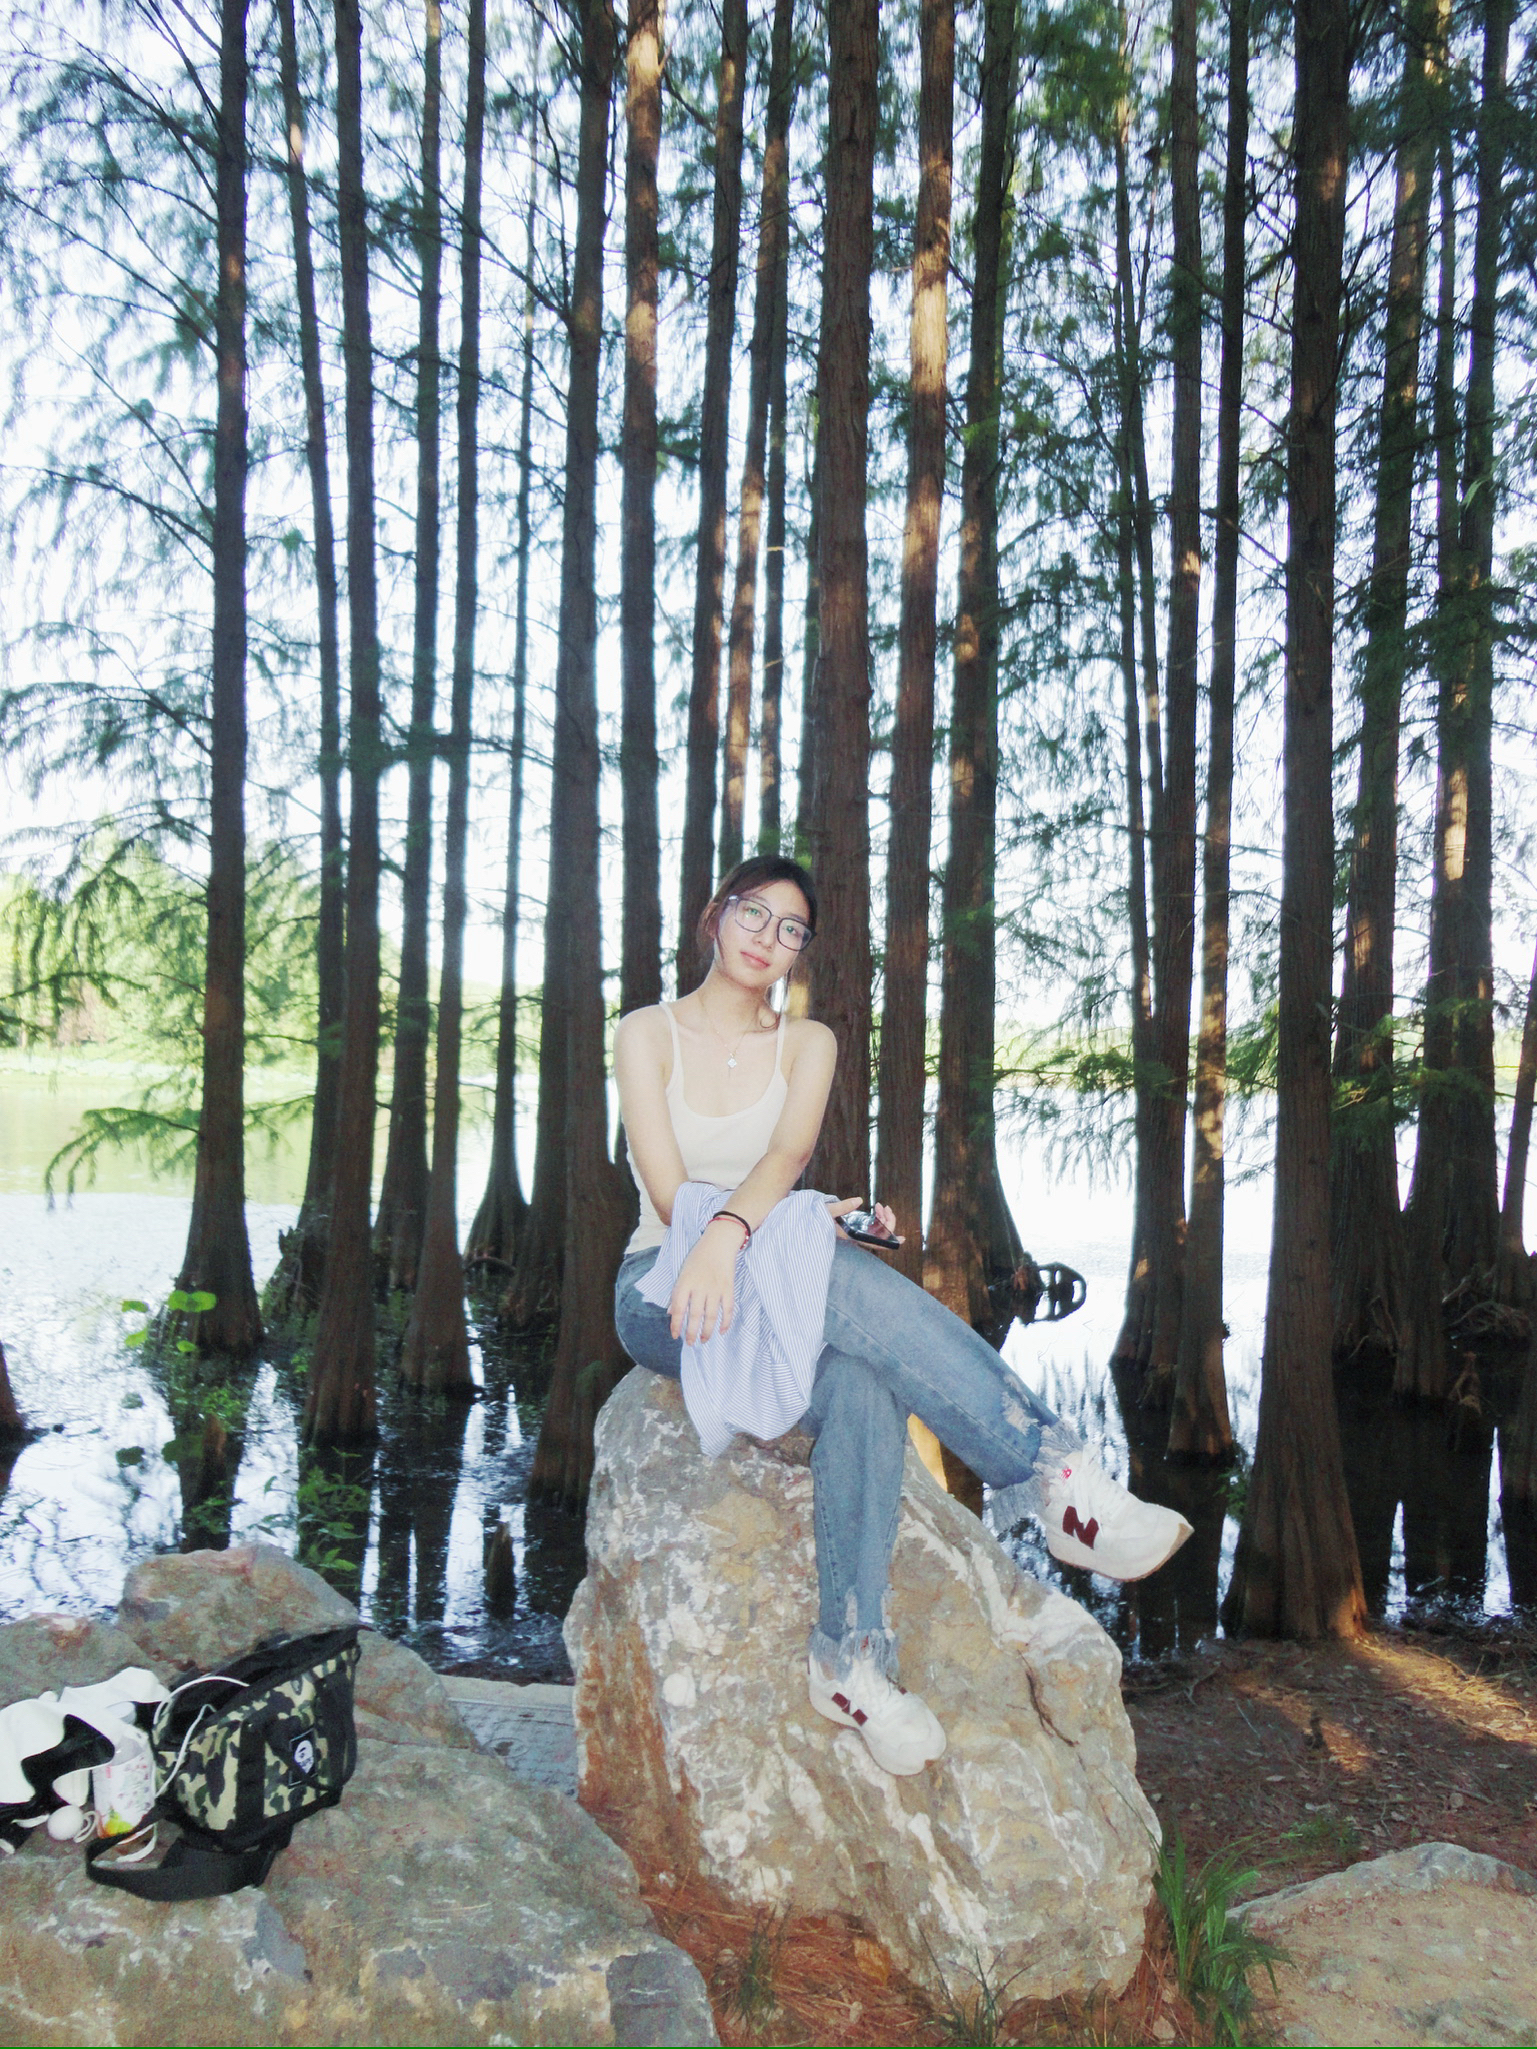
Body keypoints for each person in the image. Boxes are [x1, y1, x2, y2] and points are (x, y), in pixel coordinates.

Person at [612, 854, 1191, 1777]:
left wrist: (806, 1220)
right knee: (822, 1266)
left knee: (859, 1380)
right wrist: (730, 1234)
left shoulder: (807, 1043)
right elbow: (667, 1188)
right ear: (714, 916)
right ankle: (1053, 1471)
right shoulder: (646, 1032)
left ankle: (847, 1658)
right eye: (753, 914)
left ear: (801, 951)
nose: (767, 938)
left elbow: (785, 1157)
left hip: (748, 1254)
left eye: (791, 929)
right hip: (666, 1285)